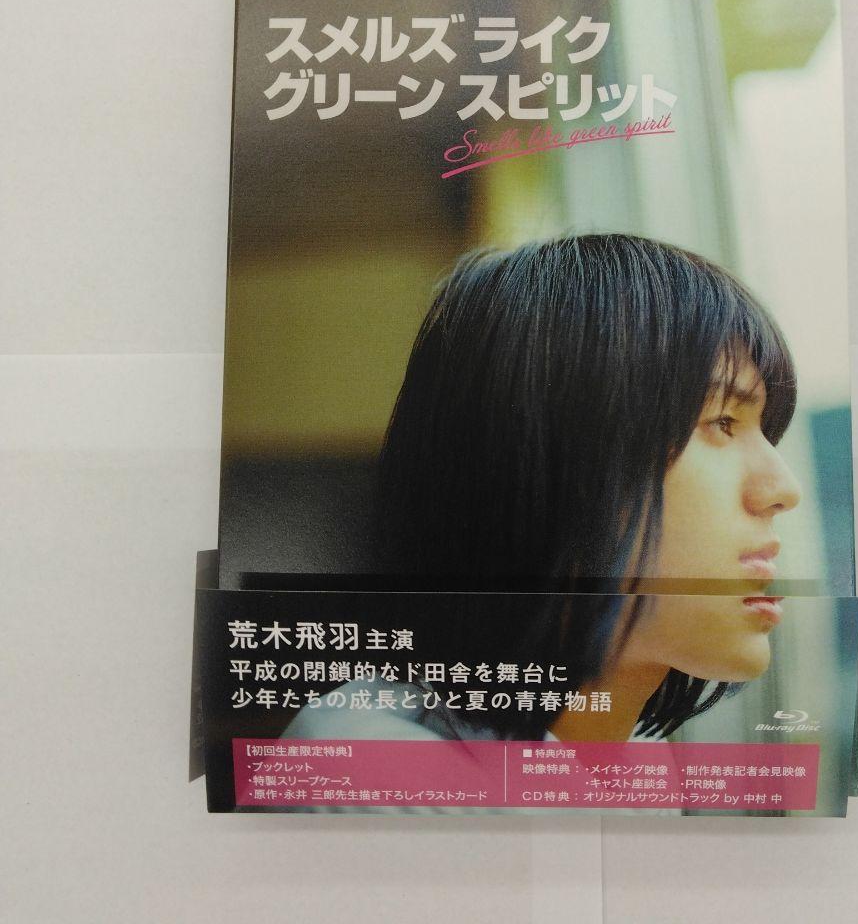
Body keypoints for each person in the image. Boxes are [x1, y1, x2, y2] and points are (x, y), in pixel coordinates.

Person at [283, 232, 802, 765]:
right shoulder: (371, 771)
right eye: (722, 421)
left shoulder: (640, 763)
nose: (783, 489)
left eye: (768, 433)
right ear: (555, 460)